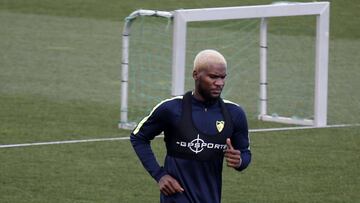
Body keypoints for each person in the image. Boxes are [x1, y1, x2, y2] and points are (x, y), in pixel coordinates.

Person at [130, 49, 251, 203]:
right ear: (195, 75)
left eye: (222, 77)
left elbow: (245, 153)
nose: (219, 83)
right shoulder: (171, 109)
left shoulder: (234, 114)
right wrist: (159, 175)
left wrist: (240, 160)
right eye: (213, 77)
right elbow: (138, 137)